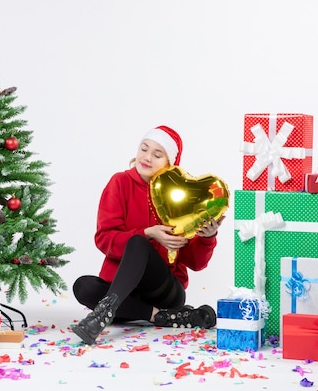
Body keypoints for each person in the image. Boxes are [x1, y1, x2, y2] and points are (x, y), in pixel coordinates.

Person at [72, 125, 225, 345]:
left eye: (157, 154)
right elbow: (104, 239)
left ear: (169, 163)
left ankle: (104, 313)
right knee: (83, 287)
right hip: (124, 290)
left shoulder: (180, 196)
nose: (147, 158)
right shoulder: (120, 183)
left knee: (139, 242)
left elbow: (195, 263)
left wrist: (208, 237)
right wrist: (148, 234)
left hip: (165, 290)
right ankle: (157, 316)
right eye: (144, 149)